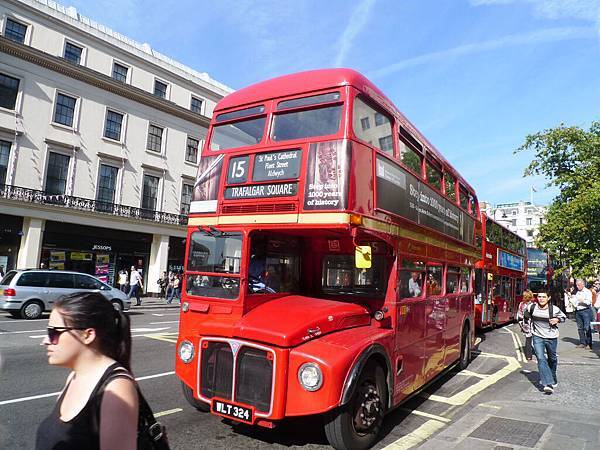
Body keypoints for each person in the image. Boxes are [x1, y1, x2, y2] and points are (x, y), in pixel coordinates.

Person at [36, 292, 138, 449]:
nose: (45, 341)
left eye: (54, 332)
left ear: (87, 335)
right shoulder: (74, 376)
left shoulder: (117, 390)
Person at [528, 290, 566, 394]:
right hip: (537, 336)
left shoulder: (554, 309)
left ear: (548, 298)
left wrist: (557, 320)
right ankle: (548, 383)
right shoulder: (532, 307)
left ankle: (553, 376)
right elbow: (524, 316)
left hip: (551, 337)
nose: (541, 299)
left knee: (552, 359)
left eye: (543, 297)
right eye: (539, 297)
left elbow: (563, 317)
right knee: (540, 358)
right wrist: (526, 326)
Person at [573, 278, 594, 349]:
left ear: (583, 284)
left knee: (587, 328)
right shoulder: (577, 292)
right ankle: (582, 342)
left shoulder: (587, 292)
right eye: (576, 285)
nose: (577, 286)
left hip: (586, 311)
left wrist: (582, 301)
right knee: (580, 328)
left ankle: (589, 343)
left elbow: (589, 302)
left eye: (578, 285)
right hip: (578, 311)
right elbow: (575, 301)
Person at [516, 289, 535, 361]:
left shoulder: (521, 304)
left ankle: (528, 356)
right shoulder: (533, 305)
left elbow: (519, 316)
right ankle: (535, 353)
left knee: (528, 340)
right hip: (532, 324)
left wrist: (521, 325)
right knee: (535, 340)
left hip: (525, 324)